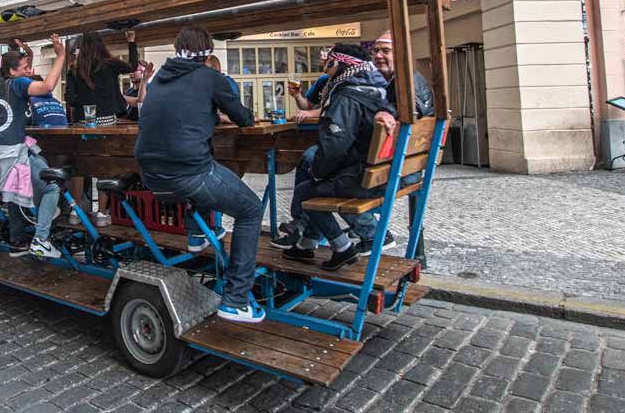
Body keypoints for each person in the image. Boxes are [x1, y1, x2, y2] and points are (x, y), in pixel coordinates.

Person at [136, 25, 264, 324]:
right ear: (207, 53)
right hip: (188, 173)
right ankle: (236, 300)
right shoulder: (209, 77)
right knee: (250, 209)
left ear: (176, 48)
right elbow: (242, 117)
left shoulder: (157, 79)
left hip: (151, 176)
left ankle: (196, 235)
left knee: (208, 168)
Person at [281, 44, 392, 271]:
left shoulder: (347, 94)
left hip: (361, 175)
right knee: (311, 168)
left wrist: (319, 173)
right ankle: (308, 242)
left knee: (306, 189)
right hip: (379, 171)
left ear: (338, 63)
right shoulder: (374, 86)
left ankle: (343, 248)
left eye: (328, 62)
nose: (325, 66)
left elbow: (335, 144)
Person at [0, 35, 68, 259]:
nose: (29, 70)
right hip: (10, 153)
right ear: (13, 71)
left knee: (16, 192)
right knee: (51, 186)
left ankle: (18, 239)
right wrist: (61, 55)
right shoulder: (17, 84)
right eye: (26, 67)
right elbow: (48, 85)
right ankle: (41, 239)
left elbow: (8, 70)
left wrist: (27, 53)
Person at [65, 30, 140, 226]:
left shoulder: (74, 69)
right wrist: (131, 42)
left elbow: (70, 99)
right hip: (107, 122)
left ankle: (75, 212)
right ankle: (101, 214)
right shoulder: (110, 64)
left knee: (80, 168)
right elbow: (132, 66)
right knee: (105, 167)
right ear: (101, 46)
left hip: (82, 125)